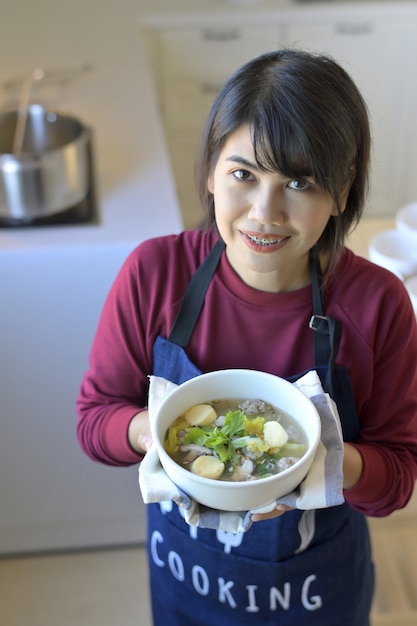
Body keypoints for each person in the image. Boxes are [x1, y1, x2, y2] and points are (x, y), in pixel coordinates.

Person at [76, 49, 417, 625]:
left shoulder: (376, 303)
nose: (265, 212)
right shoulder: (154, 274)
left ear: (341, 189)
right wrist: (158, 438)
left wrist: (322, 463)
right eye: (244, 174)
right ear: (211, 168)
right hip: (186, 583)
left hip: (318, 593)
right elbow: (94, 420)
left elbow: (398, 477)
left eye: (300, 181)